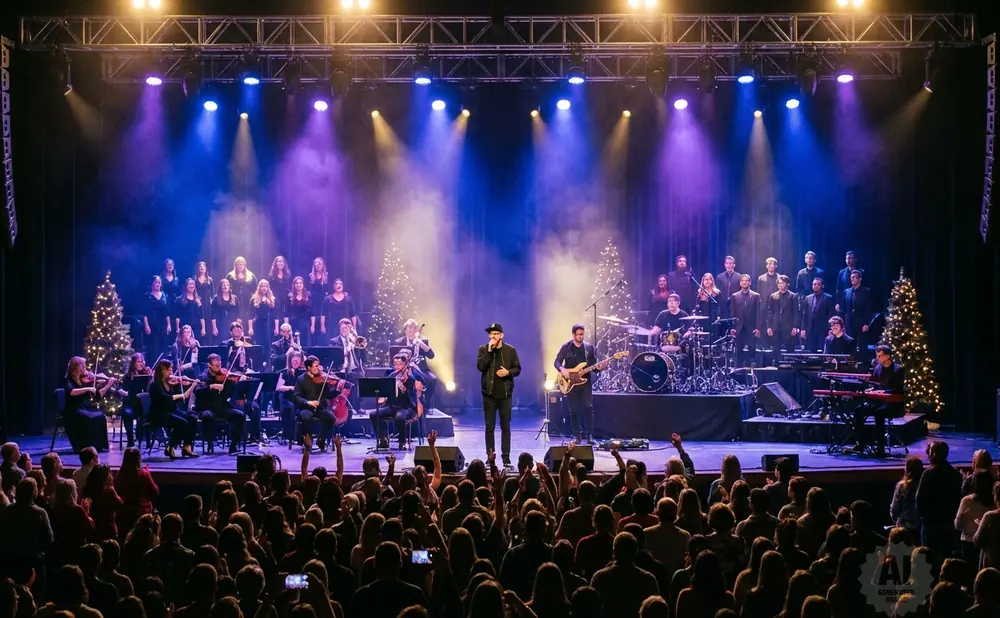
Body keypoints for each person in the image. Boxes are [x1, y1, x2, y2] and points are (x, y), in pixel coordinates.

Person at [477, 323, 521, 468]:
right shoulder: (483, 349)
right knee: (489, 427)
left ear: (502, 335)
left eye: (496, 334)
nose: (494, 336)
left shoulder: (510, 350)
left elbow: (517, 369)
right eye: (491, 334)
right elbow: (481, 367)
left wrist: (508, 372)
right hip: (488, 395)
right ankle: (490, 457)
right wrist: (489, 352)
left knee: (505, 427)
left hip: (505, 395)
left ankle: (506, 458)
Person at [853, 344, 905, 458]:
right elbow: (876, 385)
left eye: (880, 356)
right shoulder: (877, 368)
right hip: (878, 401)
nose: (878, 358)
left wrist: (883, 392)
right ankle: (861, 442)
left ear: (888, 356)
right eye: (877, 356)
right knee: (858, 411)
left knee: (879, 413)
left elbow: (898, 390)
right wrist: (871, 389)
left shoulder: (898, 370)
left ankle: (880, 448)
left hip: (892, 403)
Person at [916, 440, 963, 559]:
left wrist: (924, 518)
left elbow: (919, 500)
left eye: (930, 452)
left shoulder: (928, 474)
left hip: (931, 525)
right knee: (947, 558)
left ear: (933, 454)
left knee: (928, 559)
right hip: (948, 524)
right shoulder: (955, 474)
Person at [554, 324, 599, 443]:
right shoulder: (566, 347)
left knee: (588, 408)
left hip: (585, 383)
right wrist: (562, 369)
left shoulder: (589, 348)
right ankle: (576, 436)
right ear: (573, 335)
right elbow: (557, 361)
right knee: (574, 410)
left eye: (582, 334)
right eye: (578, 334)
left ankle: (589, 436)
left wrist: (599, 367)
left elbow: (594, 366)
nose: (580, 336)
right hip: (571, 383)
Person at [194, 353, 247, 455]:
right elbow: (197, 391)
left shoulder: (225, 377)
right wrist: (211, 386)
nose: (218, 364)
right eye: (215, 362)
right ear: (209, 365)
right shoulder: (203, 377)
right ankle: (210, 444)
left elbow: (229, 394)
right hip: (206, 408)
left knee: (239, 415)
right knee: (207, 416)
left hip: (221, 407)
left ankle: (233, 446)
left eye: (219, 362)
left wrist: (232, 382)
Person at [371, 353, 425, 451]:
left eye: (399, 364)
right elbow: (385, 389)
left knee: (400, 416)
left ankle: (402, 442)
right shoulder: (392, 375)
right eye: (395, 364)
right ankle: (383, 440)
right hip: (392, 406)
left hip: (407, 407)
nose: (397, 366)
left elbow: (414, 389)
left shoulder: (411, 375)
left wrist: (407, 381)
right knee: (374, 414)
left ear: (405, 364)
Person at [147, 360, 198, 458]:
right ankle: (170, 447)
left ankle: (187, 447)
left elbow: (178, 400)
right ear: (163, 371)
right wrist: (182, 394)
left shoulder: (169, 383)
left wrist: (182, 384)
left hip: (171, 411)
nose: (172, 373)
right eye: (169, 370)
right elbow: (165, 398)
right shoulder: (155, 385)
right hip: (159, 414)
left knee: (192, 418)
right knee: (182, 422)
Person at [293, 355, 344, 452]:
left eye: (319, 365)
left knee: (331, 418)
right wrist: (308, 402)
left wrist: (338, 390)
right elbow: (296, 397)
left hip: (319, 408)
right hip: (305, 408)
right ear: (309, 367)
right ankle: (308, 441)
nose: (319, 368)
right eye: (316, 366)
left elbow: (328, 395)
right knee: (306, 417)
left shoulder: (322, 379)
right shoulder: (301, 379)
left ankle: (321, 440)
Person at [63, 357, 113, 452]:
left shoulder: (83, 380)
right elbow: (72, 392)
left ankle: (97, 446)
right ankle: (84, 445)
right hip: (73, 410)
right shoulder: (68, 380)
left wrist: (108, 385)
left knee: (100, 416)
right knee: (88, 417)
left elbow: (98, 395)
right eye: (83, 367)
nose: (85, 369)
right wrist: (87, 389)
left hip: (84, 408)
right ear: (77, 367)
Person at [394, 319, 438, 404]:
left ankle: (426, 403)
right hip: (404, 369)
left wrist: (421, 344)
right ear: (405, 329)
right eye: (410, 327)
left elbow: (431, 355)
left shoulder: (423, 341)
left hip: (421, 369)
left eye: (414, 328)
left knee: (433, 379)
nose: (412, 330)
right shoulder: (399, 342)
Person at [729, 274, 761, 367]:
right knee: (739, 351)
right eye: (742, 280)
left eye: (747, 280)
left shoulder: (756, 296)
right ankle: (739, 369)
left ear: (750, 283)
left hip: (751, 327)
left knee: (752, 351)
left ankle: (751, 370)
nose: (744, 282)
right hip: (739, 328)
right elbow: (733, 313)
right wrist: (733, 327)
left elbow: (759, 313)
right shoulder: (735, 296)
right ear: (740, 283)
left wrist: (758, 328)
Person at [842, 269, 873, 360]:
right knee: (850, 346)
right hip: (849, 324)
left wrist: (867, 324)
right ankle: (850, 364)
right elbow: (844, 309)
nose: (853, 279)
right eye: (852, 277)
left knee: (862, 346)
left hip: (861, 324)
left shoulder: (866, 292)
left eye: (855, 277)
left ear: (860, 279)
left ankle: (863, 364)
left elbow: (868, 309)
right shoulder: (847, 291)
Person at [765, 274, 800, 354]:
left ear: (788, 284)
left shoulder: (793, 296)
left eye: (783, 283)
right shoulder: (773, 296)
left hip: (788, 327)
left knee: (790, 350)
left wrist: (795, 326)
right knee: (775, 350)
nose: (781, 285)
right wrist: (769, 326)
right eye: (779, 283)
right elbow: (769, 312)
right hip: (776, 327)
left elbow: (796, 312)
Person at [800, 278, 835, 352]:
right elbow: (805, 314)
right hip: (810, 330)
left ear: (822, 286)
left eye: (818, 284)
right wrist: (803, 328)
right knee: (811, 351)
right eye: (814, 284)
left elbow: (831, 315)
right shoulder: (808, 298)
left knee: (823, 351)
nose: (816, 286)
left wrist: (831, 329)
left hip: (823, 330)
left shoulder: (828, 298)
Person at [142, 275, 171, 361]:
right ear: (152, 284)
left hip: (163, 325)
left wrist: (169, 325)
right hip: (152, 325)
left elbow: (167, 312)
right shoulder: (147, 296)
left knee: (163, 348)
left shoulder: (164, 295)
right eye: (156, 282)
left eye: (159, 282)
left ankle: (163, 366)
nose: (158, 284)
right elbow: (145, 313)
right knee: (154, 349)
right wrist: (146, 325)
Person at [225, 256, 257, 325]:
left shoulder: (251, 276)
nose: (240, 266)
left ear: (245, 265)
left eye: (242, 264)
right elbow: (225, 289)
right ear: (235, 265)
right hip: (234, 303)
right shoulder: (230, 276)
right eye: (238, 264)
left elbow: (255, 290)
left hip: (247, 303)